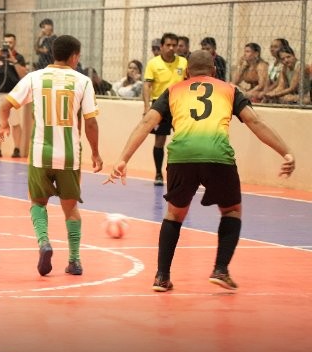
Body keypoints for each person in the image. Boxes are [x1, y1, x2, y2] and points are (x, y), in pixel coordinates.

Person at [105, 51, 294, 292]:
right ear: (214, 71)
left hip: (181, 157)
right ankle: (220, 269)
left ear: (186, 72)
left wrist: (123, 159)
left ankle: (162, 276)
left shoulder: (173, 90)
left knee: (174, 214)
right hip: (218, 156)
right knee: (232, 210)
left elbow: (146, 123)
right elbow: (255, 122)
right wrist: (285, 152)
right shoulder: (229, 90)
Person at [0, 34, 102, 277]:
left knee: (37, 202)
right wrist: (96, 153)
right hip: (69, 155)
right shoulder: (83, 81)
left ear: (53, 54)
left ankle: (44, 242)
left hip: (40, 154)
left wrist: (3, 125)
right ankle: (74, 261)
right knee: (70, 208)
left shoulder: (35, 78)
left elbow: (5, 105)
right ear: (74, 56)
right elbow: (91, 123)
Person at [143, 33, 188, 186]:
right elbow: (147, 85)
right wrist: (147, 107)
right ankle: (158, 173)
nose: (171, 48)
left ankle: (182, 174)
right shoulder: (153, 63)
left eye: (174, 45)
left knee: (182, 140)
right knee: (160, 140)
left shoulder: (183, 62)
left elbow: (188, 82)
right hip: (160, 104)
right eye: (168, 45)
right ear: (161, 46)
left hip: (179, 105)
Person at [0, 33, 28, 157]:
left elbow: (23, 74)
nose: (8, 45)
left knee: (15, 122)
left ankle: (16, 149)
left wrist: (13, 61)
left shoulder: (18, 57)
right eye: (6, 42)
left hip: (13, 95)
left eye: (10, 42)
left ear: (14, 43)